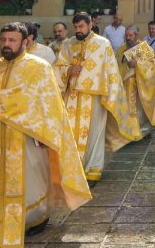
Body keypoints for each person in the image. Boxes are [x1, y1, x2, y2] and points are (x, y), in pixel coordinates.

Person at [0, 23, 92, 248]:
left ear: (25, 42)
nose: (6, 44)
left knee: (30, 186)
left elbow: (47, 103)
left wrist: (45, 134)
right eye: (4, 39)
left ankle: (36, 219)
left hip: (26, 136)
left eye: (12, 40)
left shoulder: (38, 68)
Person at [59, 12, 139, 182]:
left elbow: (112, 71)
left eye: (81, 26)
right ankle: (74, 170)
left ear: (90, 25)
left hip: (95, 98)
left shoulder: (103, 44)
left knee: (94, 134)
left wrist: (112, 96)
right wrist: (68, 70)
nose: (78, 30)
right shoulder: (68, 44)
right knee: (71, 134)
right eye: (75, 27)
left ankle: (93, 171)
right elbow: (58, 66)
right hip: (72, 96)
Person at [116, 25, 155, 138]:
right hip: (125, 83)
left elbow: (152, 66)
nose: (128, 38)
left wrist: (137, 64)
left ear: (137, 36)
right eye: (126, 35)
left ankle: (142, 129)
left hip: (140, 84)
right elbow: (116, 63)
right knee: (127, 107)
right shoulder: (122, 48)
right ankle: (129, 129)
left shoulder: (144, 48)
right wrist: (126, 63)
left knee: (139, 109)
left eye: (130, 35)